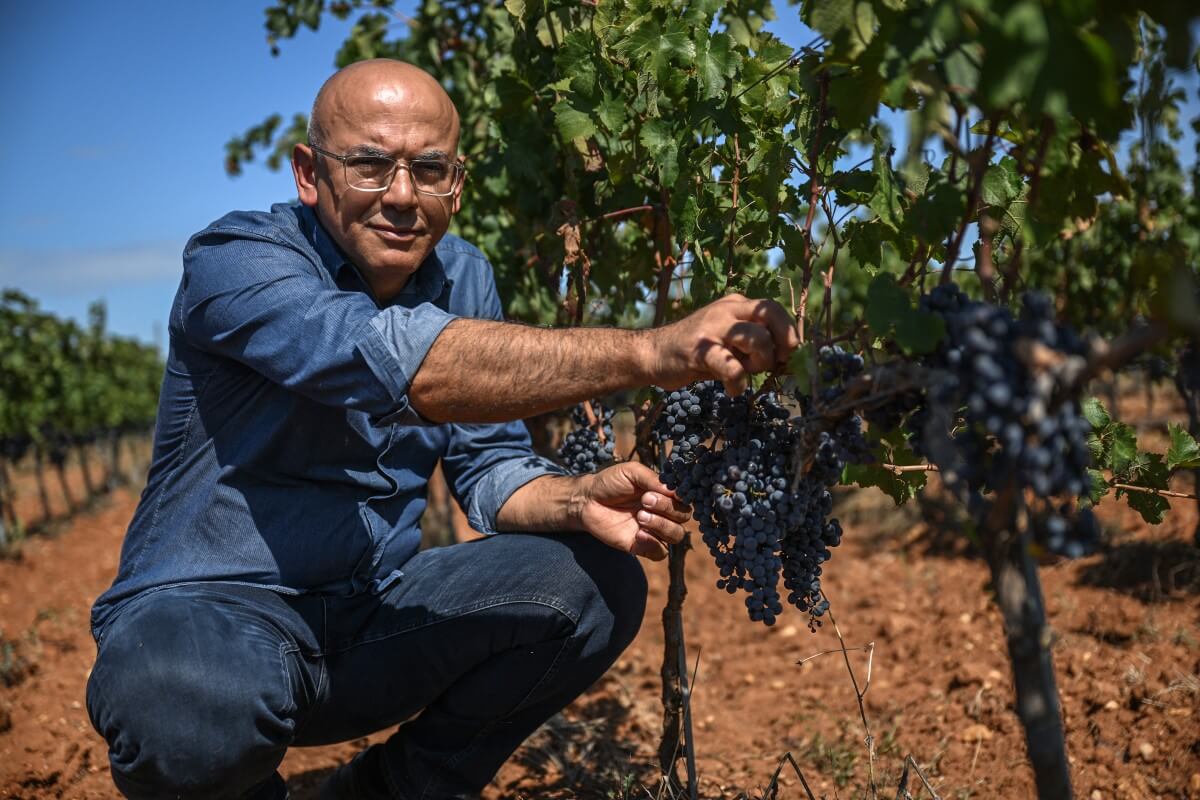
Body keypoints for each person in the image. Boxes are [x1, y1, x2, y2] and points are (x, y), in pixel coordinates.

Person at [85, 59, 800, 800]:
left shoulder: (463, 275)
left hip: (369, 622)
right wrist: (649, 352)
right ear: (308, 173)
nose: (401, 196)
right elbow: (402, 366)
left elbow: (489, 467)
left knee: (591, 582)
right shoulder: (239, 261)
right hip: (211, 615)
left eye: (428, 170)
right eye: (369, 165)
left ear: (456, 184)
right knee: (178, 698)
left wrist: (576, 499)